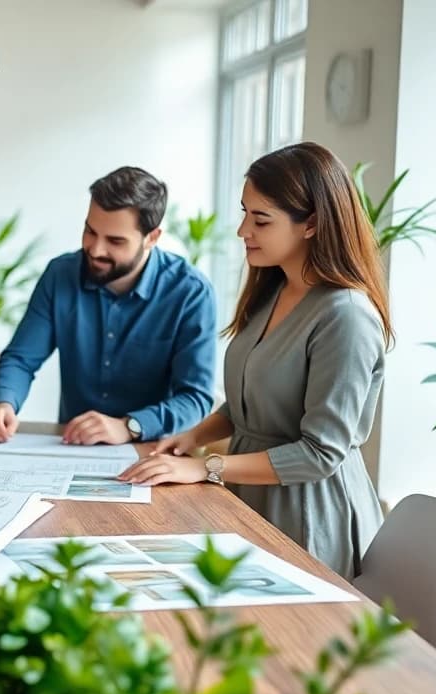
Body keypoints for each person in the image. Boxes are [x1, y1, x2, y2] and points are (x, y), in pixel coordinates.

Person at [120, 141, 390, 578]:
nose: (243, 231)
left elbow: (319, 454)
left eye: (260, 219)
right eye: (245, 213)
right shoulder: (274, 291)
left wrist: (204, 468)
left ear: (312, 225)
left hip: (307, 515)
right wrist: (192, 437)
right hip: (248, 496)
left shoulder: (346, 317)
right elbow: (250, 405)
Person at [0, 166, 217, 445]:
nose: (96, 249)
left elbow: (195, 398)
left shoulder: (190, 292)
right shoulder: (60, 275)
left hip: (153, 451)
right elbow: (20, 359)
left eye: (115, 241)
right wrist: (3, 404)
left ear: (152, 237)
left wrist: (130, 426)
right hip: (71, 447)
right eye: (90, 231)